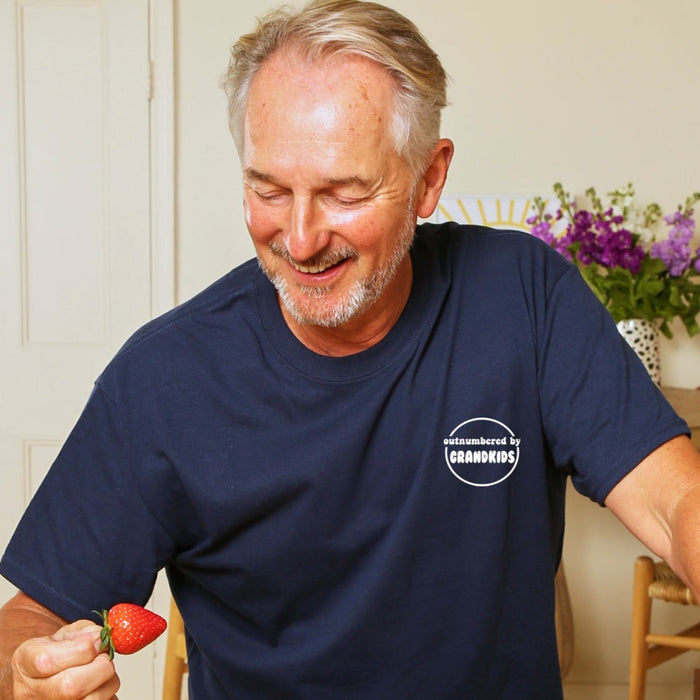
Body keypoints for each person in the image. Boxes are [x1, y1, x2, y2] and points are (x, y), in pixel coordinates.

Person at [1, 0, 699, 697]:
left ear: (429, 177)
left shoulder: (526, 295)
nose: (299, 239)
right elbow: (29, 620)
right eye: (267, 189)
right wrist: (31, 672)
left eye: (344, 193)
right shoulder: (161, 379)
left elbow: (675, 505)